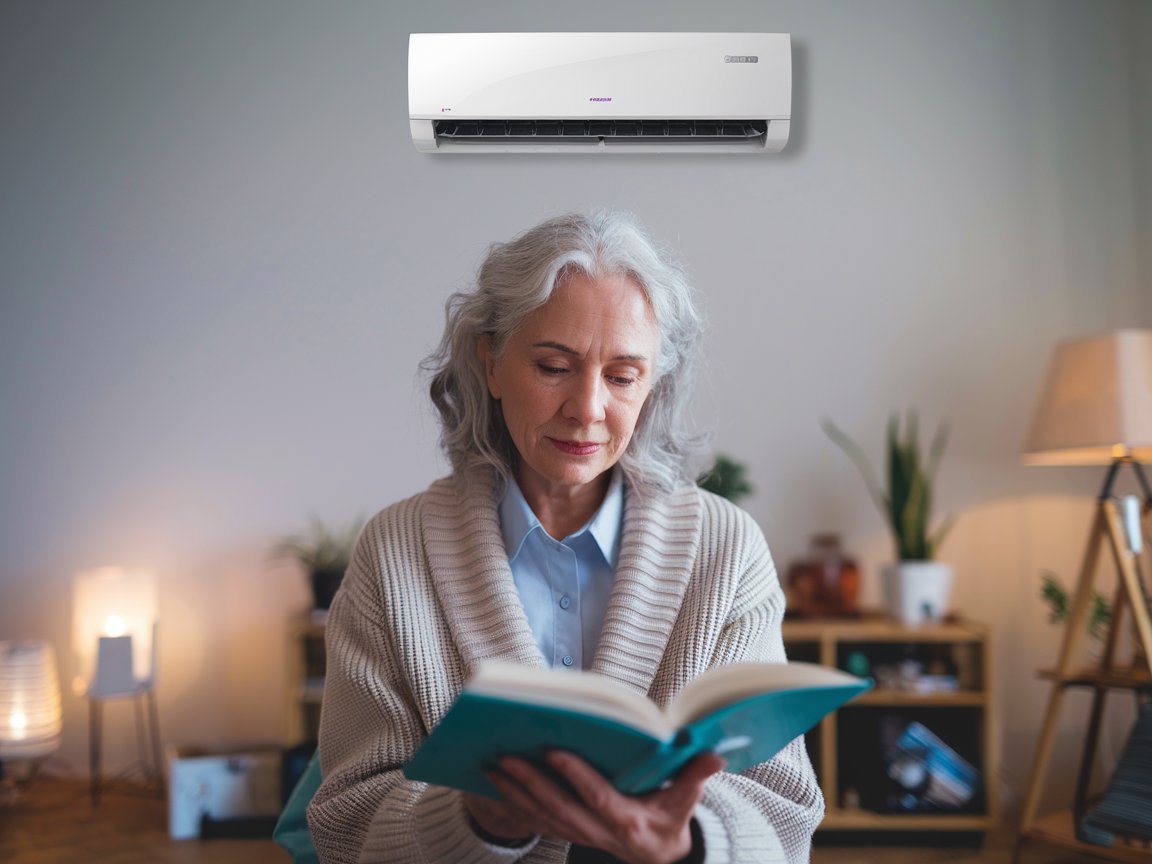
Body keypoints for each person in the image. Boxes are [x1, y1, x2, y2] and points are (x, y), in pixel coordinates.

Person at [306, 211, 823, 863]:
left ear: (653, 385)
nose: (587, 408)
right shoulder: (395, 553)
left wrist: (688, 844)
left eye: (622, 376)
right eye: (554, 366)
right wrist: (474, 818)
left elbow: (783, 819)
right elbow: (345, 826)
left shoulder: (726, 550)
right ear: (488, 363)